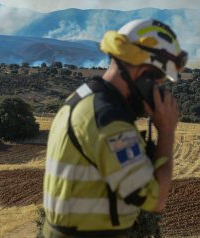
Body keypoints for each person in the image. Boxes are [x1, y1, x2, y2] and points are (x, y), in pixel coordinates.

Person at [43, 19, 188, 238]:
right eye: (157, 81)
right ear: (144, 74)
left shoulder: (83, 98)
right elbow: (155, 199)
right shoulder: (109, 119)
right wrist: (167, 131)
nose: (157, 89)